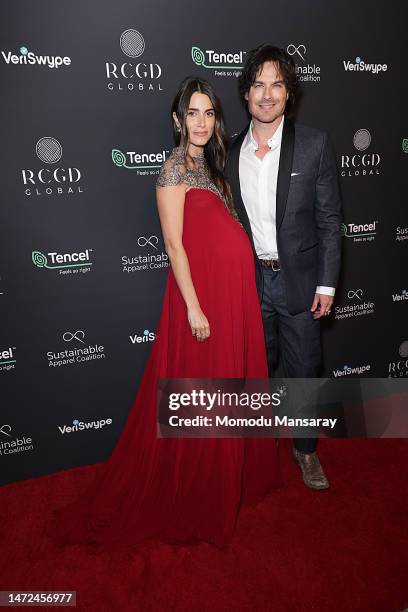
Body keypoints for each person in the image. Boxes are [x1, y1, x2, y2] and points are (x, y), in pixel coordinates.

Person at [49, 77, 281, 555]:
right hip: (202, 300)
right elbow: (174, 245)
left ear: (216, 119)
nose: (200, 122)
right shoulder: (173, 168)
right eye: (191, 113)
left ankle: (226, 480)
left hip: (232, 296)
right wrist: (195, 306)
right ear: (177, 121)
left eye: (208, 113)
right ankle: (198, 493)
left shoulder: (210, 167)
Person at [225, 45, 342, 490]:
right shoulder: (229, 150)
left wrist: (327, 284)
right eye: (258, 84)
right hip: (249, 282)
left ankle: (305, 450)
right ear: (246, 93)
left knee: (303, 369)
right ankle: (256, 449)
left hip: (299, 281)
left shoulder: (314, 144)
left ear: (288, 93)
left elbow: (330, 220)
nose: (267, 94)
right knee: (254, 369)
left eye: (276, 84)